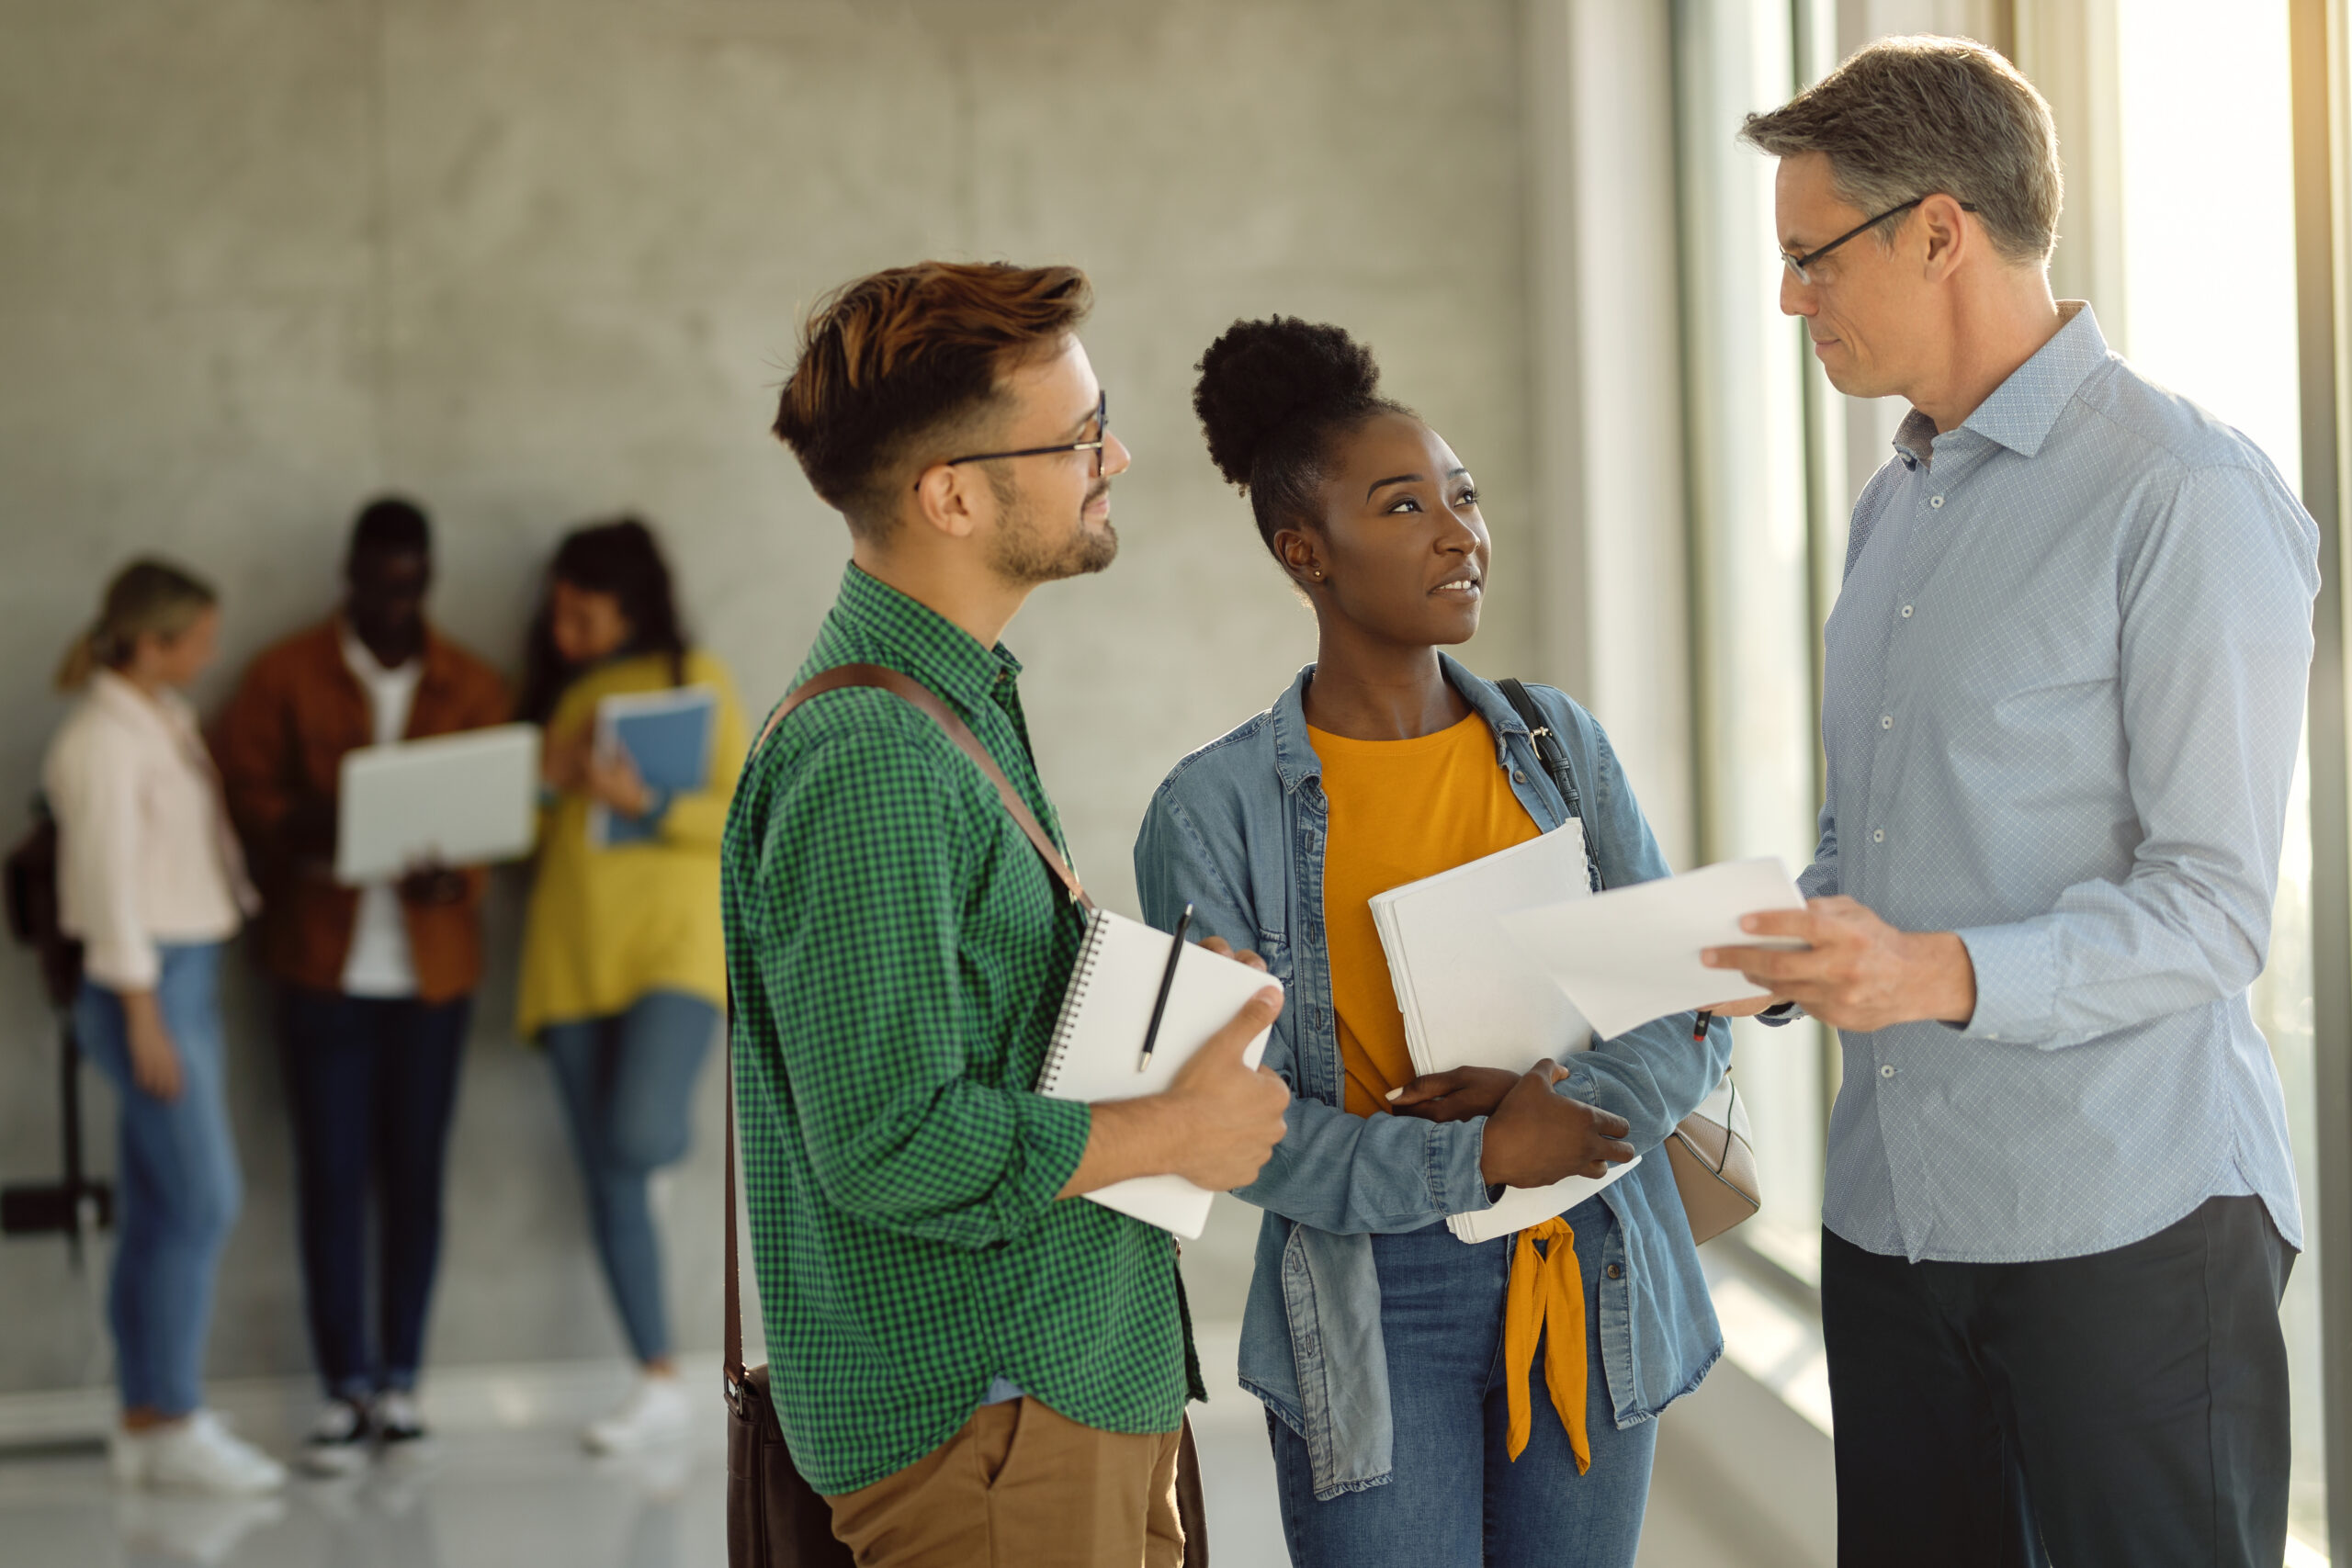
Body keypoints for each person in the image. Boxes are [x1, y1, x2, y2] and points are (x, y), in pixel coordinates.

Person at [1702, 39, 2316, 1568]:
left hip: (2125, 1229)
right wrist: (1761, 949)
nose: (1791, 300)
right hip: (1896, 1225)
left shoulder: (2183, 494)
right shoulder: (1893, 507)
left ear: (1937, 230)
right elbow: (1880, 846)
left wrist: (1934, 972)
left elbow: (2214, 908)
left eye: (1809, 256)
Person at [1131, 317, 1728, 1567]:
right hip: (1371, 1299)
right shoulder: (1212, 811)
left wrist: (1561, 1109)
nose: (1460, 532)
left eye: (1462, 495)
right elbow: (1228, 1125)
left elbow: (1679, 1002)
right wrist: (1479, 1158)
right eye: (1404, 506)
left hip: (1594, 1260)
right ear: (1306, 551)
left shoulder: (1558, 743)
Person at [725, 260, 1291, 1568]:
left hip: (1047, 1390)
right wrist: (1177, 1126)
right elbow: (888, 1137)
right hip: (990, 1418)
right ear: (954, 495)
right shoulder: (870, 755)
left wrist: (1155, 1023)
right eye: (1080, 434)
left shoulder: (951, 700)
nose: (1120, 455)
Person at [215, 497, 509, 1474]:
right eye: (379, 583)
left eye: (411, 583)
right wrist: (330, 826)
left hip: (431, 976)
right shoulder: (286, 674)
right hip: (322, 967)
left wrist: (449, 875)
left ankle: (403, 1384)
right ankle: (345, 1388)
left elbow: (493, 818)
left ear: (427, 579)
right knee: (333, 1179)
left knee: (414, 1182)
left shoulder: (470, 680)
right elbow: (243, 793)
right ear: (350, 577)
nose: (395, 601)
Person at [42, 559, 283, 1495]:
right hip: (143, 987)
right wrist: (145, 1018)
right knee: (201, 1201)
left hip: (184, 973)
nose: (210, 652)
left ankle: (147, 1416)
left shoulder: (161, 717)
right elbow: (107, 891)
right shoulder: (102, 741)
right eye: (196, 637)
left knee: (157, 1209)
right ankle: (171, 1413)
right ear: (150, 641)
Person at [514, 517, 747, 1453]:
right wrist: (544, 777)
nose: (563, 629)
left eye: (583, 611)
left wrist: (643, 802)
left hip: (674, 950)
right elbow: (519, 842)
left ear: (629, 604)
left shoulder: (696, 679)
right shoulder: (556, 706)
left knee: (638, 1136)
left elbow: (740, 814)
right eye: (555, 613)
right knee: (608, 1175)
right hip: (570, 957)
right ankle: (655, 1380)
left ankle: (645, 1168)